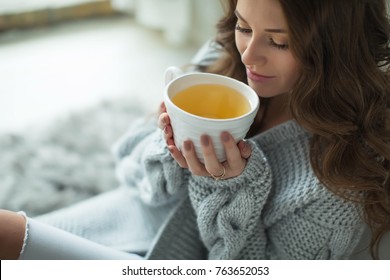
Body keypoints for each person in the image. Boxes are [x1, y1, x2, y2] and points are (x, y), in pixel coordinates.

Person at [1, 0, 390, 260]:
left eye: (279, 42)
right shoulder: (224, 60)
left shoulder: (341, 178)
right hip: (132, 214)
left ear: (335, 49)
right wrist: (166, 140)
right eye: (243, 26)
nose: (250, 55)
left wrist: (227, 187)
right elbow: (129, 168)